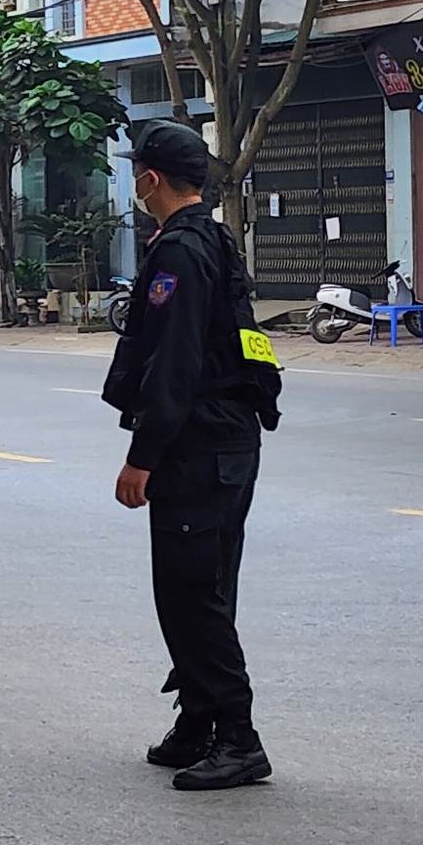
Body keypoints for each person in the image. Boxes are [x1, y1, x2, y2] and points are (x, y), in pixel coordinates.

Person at [103, 120, 281, 791]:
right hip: (228, 440)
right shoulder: (212, 236)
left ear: (150, 179)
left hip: (198, 444)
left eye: (136, 173)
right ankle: (199, 722)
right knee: (198, 587)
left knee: (191, 593)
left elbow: (174, 365)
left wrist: (141, 457)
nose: (135, 184)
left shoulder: (180, 251)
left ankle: (237, 735)